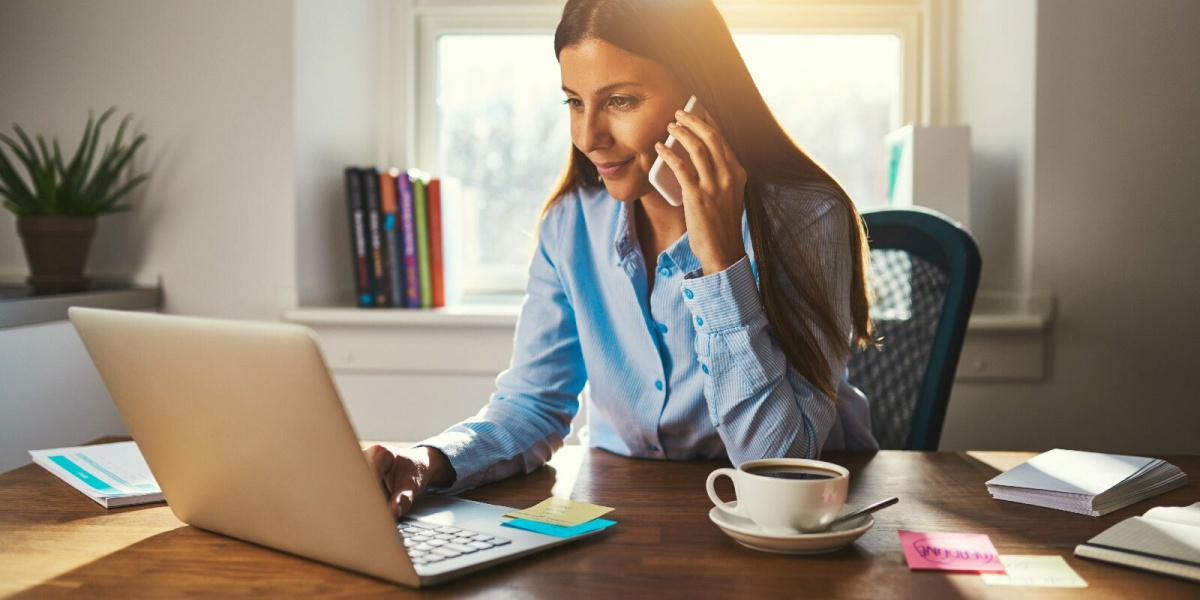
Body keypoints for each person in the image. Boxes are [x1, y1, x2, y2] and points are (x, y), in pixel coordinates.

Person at [366, 0, 878, 517]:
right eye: (574, 102)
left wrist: (721, 260)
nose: (589, 137)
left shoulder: (808, 219)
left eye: (622, 101)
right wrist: (428, 459)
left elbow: (779, 467)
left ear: (702, 100)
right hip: (622, 514)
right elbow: (533, 404)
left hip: (795, 527)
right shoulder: (571, 225)